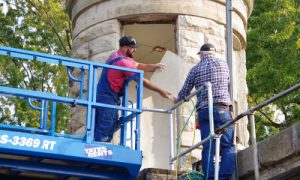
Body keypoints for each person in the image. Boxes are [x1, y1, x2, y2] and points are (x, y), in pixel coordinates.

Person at [95, 35, 173, 142]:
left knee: (110, 124)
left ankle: (103, 146)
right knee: (105, 127)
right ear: (125, 47)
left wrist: (154, 66)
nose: (135, 50)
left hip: (110, 96)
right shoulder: (122, 62)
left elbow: (138, 65)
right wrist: (160, 91)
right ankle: (100, 149)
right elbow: (140, 80)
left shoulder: (117, 55)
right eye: (133, 48)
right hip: (107, 97)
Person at [175, 43, 235, 179]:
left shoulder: (196, 69)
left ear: (201, 54)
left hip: (204, 111)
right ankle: (224, 177)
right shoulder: (224, 65)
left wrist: (177, 99)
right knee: (228, 146)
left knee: (208, 147)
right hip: (222, 108)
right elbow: (227, 82)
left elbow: (185, 91)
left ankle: (209, 177)